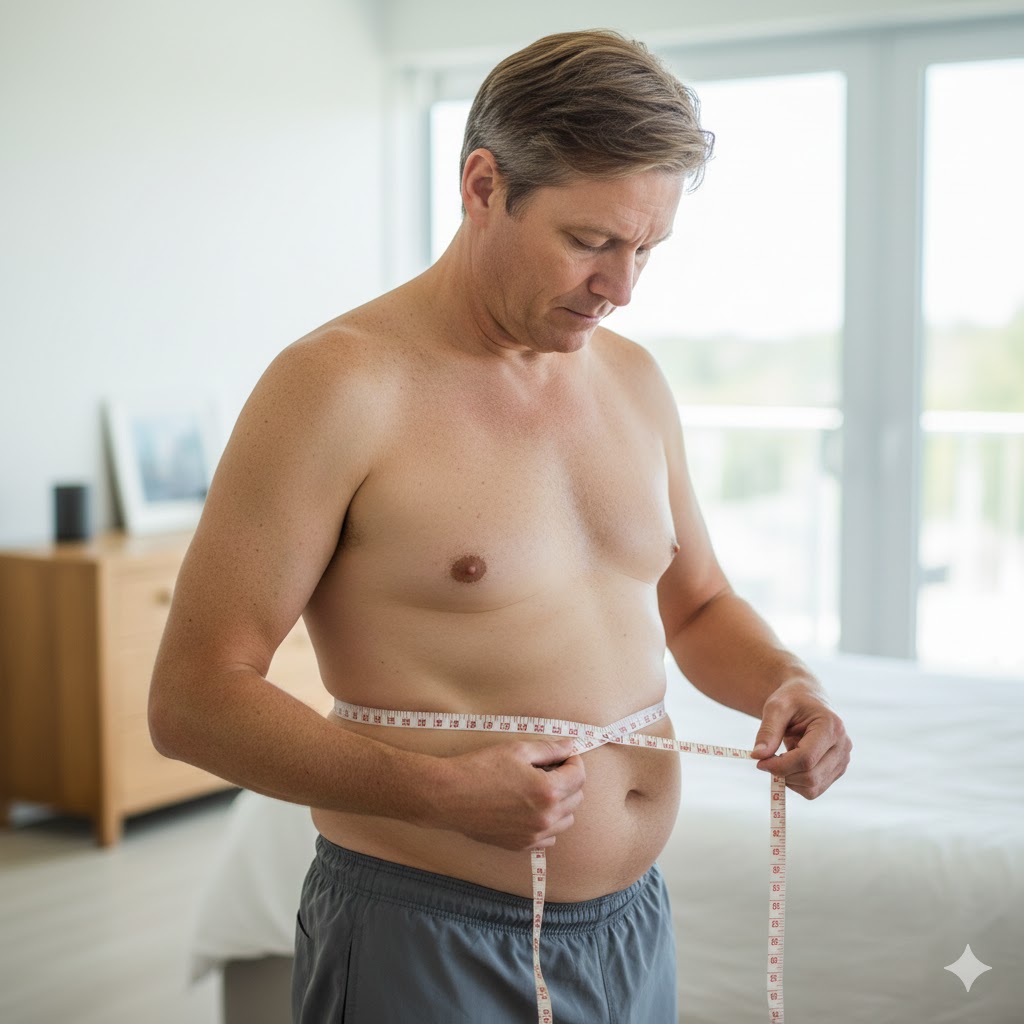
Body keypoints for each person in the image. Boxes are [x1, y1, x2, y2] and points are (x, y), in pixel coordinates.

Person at [149, 27, 852, 1024]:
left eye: (646, 249)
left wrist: (789, 684)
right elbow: (193, 699)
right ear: (483, 185)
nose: (621, 289)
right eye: (590, 241)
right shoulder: (337, 387)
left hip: (632, 930)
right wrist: (433, 792)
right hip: (424, 927)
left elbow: (696, 606)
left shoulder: (633, 380)